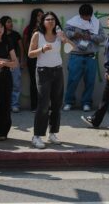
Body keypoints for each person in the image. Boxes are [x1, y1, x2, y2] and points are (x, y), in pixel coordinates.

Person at [28, 12, 69, 149]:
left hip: (57, 71)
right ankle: (37, 136)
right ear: (43, 21)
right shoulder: (37, 35)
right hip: (43, 72)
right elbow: (30, 54)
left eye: (53, 19)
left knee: (57, 104)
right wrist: (42, 49)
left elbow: (71, 49)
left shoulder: (59, 35)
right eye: (48, 19)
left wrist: (64, 39)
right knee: (43, 105)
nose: (51, 21)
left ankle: (52, 133)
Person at [63, 4, 105, 112]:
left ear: (91, 15)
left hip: (91, 56)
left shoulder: (96, 23)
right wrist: (74, 34)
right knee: (72, 80)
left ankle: (86, 103)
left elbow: (102, 37)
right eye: (83, 16)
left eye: (88, 16)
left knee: (90, 81)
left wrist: (91, 37)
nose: (86, 18)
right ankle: (69, 102)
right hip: (76, 54)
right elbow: (65, 33)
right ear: (80, 14)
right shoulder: (72, 22)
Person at [22, 8, 45, 112]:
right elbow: (25, 43)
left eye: (42, 15)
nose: (41, 17)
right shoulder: (29, 28)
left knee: (45, 82)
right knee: (34, 81)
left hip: (45, 57)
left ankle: (44, 105)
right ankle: (34, 106)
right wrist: (30, 54)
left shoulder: (46, 27)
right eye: (39, 15)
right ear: (34, 17)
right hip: (33, 58)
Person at [0, 16, 23, 114]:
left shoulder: (16, 35)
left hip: (15, 61)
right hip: (3, 61)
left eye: (11, 22)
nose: (11, 24)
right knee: (3, 84)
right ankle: (5, 105)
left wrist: (21, 61)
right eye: (8, 22)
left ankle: (15, 105)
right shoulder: (0, 35)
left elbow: (21, 48)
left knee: (16, 84)